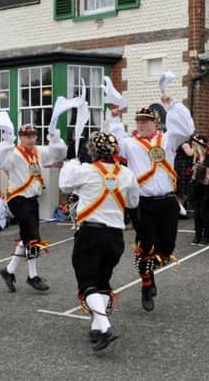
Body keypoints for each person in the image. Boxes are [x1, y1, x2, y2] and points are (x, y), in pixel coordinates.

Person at [108, 71, 195, 312]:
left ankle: (151, 271)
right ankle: (147, 285)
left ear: (155, 123)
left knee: (167, 247)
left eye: (145, 122)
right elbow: (114, 145)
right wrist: (115, 120)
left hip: (167, 201)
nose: (141, 125)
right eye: (138, 122)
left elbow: (186, 129)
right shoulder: (129, 143)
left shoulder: (167, 140)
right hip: (142, 204)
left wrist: (171, 103)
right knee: (145, 246)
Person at [59, 132, 139, 351]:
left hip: (91, 234)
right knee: (102, 282)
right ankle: (96, 328)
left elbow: (64, 185)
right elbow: (133, 202)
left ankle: (105, 327)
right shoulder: (127, 174)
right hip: (115, 237)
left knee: (87, 282)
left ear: (92, 151)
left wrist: (70, 163)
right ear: (115, 152)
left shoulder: (85, 171)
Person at [0, 124, 67, 293]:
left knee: (27, 235)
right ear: (20, 137)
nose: (31, 139)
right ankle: (33, 276)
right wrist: (6, 142)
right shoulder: (13, 153)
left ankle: (9, 271)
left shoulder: (39, 152)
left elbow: (59, 155)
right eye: (27, 136)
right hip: (18, 199)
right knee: (33, 236)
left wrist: (54, 137)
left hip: (32, 199)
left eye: (33, 135)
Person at [188, 135, 209, 245]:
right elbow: (189, 172)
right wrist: (191, 169)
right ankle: (197, 235)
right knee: (197, 213)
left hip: (208, 189)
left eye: (195, 146)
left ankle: (206, 236)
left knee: (204, 213)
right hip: (197, 188)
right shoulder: (196, 157)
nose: (193, 148)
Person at [174, 138, 194, 217]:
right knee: (182, 192)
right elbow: (189, 153)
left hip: (183, 168)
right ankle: (179, 211)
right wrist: (195, 147)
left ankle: (180, 211)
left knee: (183, 192)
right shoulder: (184, 143)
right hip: (182, 169)